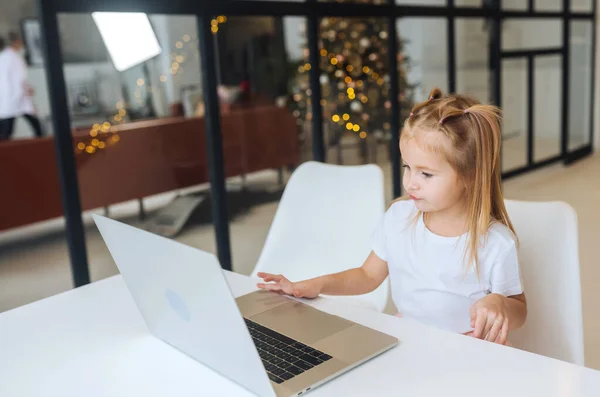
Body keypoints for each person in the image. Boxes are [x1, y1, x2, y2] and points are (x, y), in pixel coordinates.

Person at [257, 88, 527, 346]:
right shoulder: (399, 217)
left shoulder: (496, 243)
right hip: (409, 338)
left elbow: (520, 311)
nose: (410, 182)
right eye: (407, 167)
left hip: (471, 350)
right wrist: (313, 285)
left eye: (426, 174)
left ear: (470, 176)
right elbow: (366, 276)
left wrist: (501, 303)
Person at [0, 32, 44, 140]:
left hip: (9, 97)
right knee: (7, 129)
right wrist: (26, 89)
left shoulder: (5, 57)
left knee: (7, 128)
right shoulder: (13, 58)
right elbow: (19, 79)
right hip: (14, 95)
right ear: (16, 42)